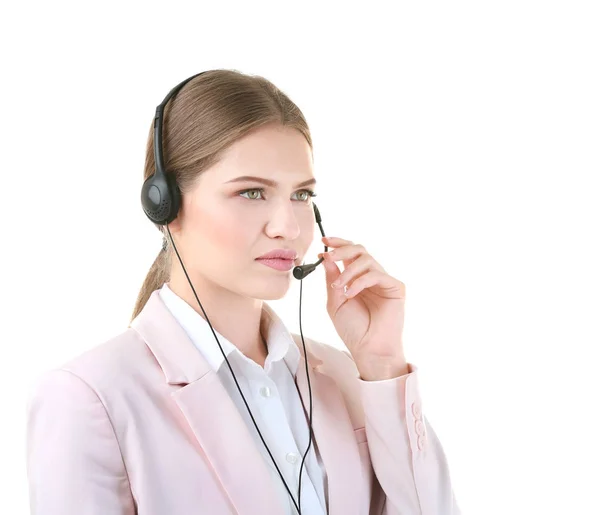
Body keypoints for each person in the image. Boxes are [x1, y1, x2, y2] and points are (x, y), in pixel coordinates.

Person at [25, 69, 461, 514]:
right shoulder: (89, 397)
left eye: (301, 194)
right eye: (252, 192)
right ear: (166, 204)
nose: (288, 228)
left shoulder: (343, 375)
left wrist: (382, 363)